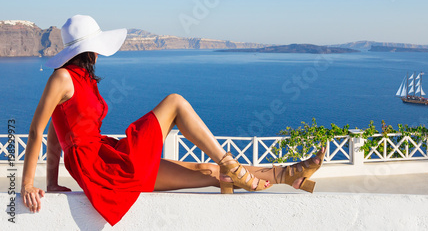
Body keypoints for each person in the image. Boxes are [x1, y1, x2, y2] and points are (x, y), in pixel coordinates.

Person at [21, 15, 326, 226]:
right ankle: (234, 163)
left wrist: (52, 181)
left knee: (210, 171)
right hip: (101, 168)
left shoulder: (84, 79)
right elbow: (38, 130)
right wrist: (29, 184)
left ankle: (290, 175)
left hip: (111, 155)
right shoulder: (61, 78)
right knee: (175, 102)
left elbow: (54, 131)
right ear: (91, 50)